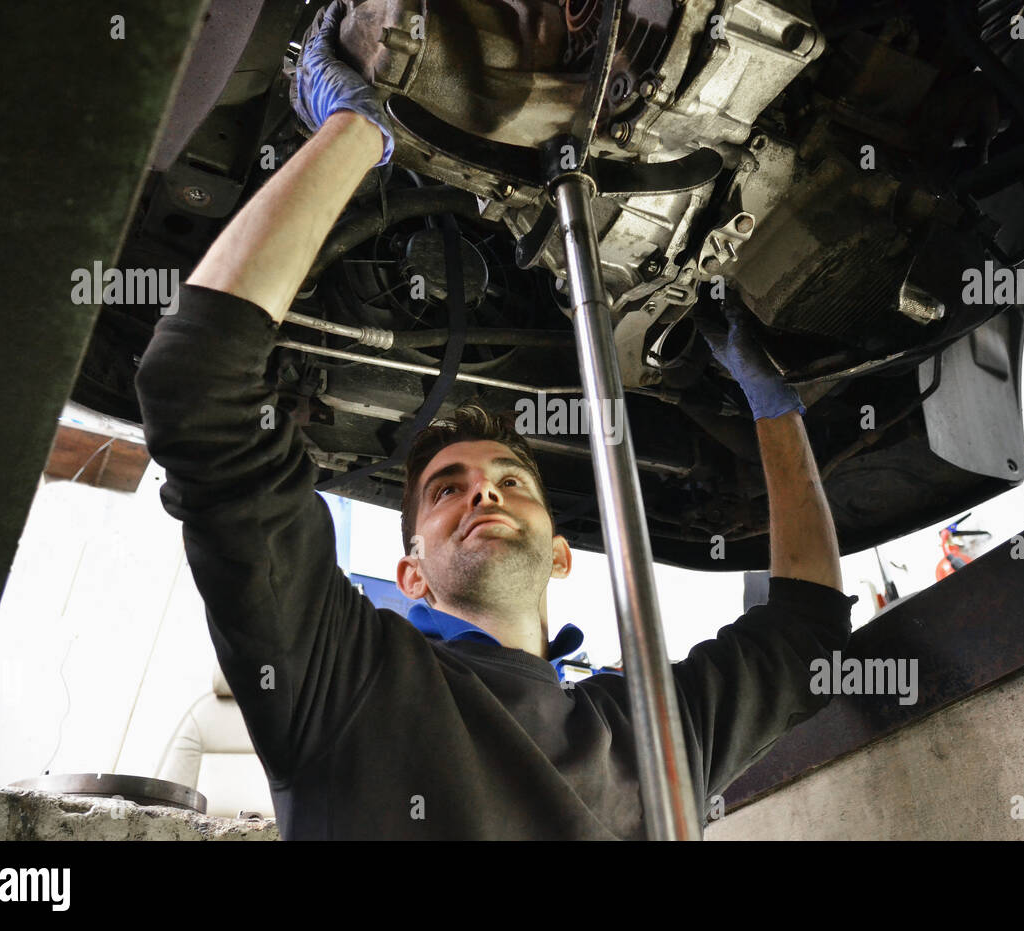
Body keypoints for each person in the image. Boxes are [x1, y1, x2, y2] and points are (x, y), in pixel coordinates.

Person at [134, 1, 853, 839]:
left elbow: (807, 636)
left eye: (512, 481)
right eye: (448, 489)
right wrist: (359, 127)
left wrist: (776, 409)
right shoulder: (344, 678)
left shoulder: (653, 730)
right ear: (411, 574)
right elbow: (195, 385)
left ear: (559, 554)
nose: (486, 494)